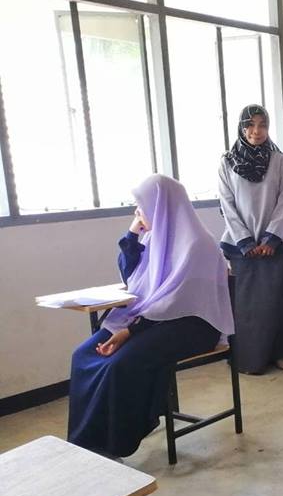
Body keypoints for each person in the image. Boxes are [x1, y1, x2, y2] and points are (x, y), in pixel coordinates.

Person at [68, 175, 235, 459]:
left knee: (121, 364)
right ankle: (83, 442)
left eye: (142, 205)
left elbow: (178, 303)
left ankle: (112, 445)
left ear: (161, 205)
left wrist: (130, 332)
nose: (138, 211)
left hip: (193, 325)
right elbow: (130, 276)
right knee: (83, 355)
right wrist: (132, 234)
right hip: (148, 317)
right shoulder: (154, 238)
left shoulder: (197, 245)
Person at [218, 104, 283, 374]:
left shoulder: (278, 160)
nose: (256, 131)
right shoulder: (227, 162)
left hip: (276, 244)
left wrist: (271, 239)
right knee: (248, 305)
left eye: (262, 125)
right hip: (241, 247)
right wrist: (245, 242)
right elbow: (227, 205)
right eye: (250, 125)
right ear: (241, 127)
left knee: (278, 300)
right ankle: (251, 358)